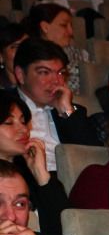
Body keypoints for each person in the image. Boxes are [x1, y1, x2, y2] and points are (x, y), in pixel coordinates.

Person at [13, 38, 94, 174]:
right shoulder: (5, 107)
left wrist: (66, 111)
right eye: (44, 72)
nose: (56, 81)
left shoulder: (72, 111)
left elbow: (93, 154)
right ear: (21, 75)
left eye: (61, 73)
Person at [0, 90, 68, 235]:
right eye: (9, 122)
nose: (23, 129)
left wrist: (41, 174)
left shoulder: (31, 172)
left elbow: (66, 228)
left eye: (24, 122)